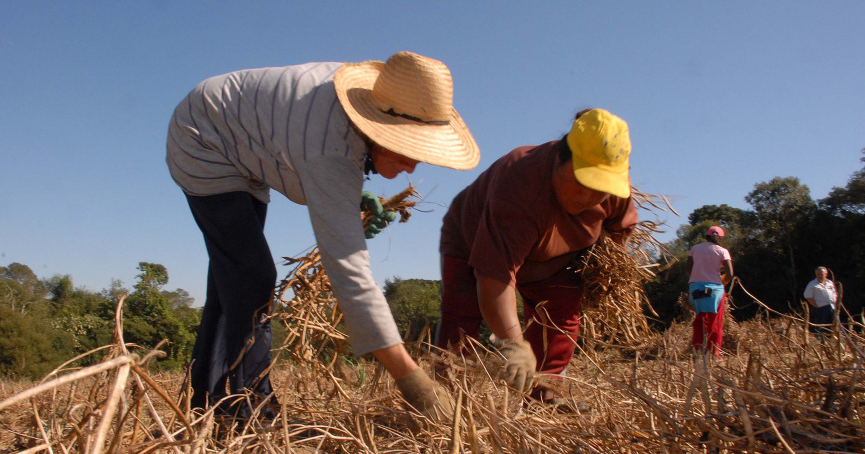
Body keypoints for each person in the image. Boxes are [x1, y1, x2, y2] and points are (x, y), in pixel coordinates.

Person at [166, 52, 479, 422]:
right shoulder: (328, 143)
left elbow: (310, 160)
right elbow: (349, 270)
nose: (413, 165)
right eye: (409, 148)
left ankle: (208, 405)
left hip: (244, 139)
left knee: (231, 283)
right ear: (377, 126)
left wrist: (350, 196)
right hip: (204, 138)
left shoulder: (362, 109)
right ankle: (253, 413)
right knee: (251, 277)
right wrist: (412, 380)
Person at [435, 109, 639, 403]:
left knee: (560, 320)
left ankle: (546, 395)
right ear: (559, 158)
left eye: (601, 191)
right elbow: (495, 277)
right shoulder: (521, 182)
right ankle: (445, 395)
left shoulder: (616, 189)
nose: (589, 199)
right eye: (582, 183)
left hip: (554, 260)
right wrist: (513, 344)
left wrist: (603, 277)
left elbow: (620, 233)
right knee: (461, 318)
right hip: (471, 243)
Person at [686, 226, 734, 356]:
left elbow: (689, 270)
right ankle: (713, 353)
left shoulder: (695, 249)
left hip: (695, 288)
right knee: (715, 322)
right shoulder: (722, 251)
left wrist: (697, 279)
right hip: (715, 290)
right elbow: (729, 274)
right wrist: (722, 281)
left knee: (698, 321)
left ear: (707, 236)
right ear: (719, 237)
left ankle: (697, 351)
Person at [803, 266, 837, 337]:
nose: (820, 276)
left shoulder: (830, 282)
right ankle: (820, 342)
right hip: (821, 309)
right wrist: (816, 306)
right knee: (821, 327)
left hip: (832, 307)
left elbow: (834, 293)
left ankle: (834, 342)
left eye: (821, 274)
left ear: (826, 274)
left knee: (835, 325)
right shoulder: (812, 284)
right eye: (818, 274)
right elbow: (807, 296)